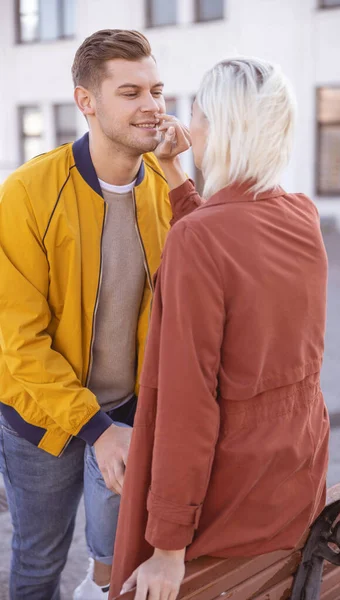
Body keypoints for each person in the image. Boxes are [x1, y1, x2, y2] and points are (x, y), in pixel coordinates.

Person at [109, 57, 330, 600]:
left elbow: (187, 406)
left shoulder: (201, 240)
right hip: (293, 481)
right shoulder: (301, 214)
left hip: (225, 502)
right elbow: (228, 246)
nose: (188, 122)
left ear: (224, 127)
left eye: (198, 112)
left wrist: (165, 547)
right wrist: (177, 176)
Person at [0, 29, 197, 600]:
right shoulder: (28, 193)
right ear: (87, 101)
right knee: (38, 562)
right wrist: (95, 430)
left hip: (128, 411)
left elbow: (199, 291)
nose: (153, 107)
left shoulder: (166, 183)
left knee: (117, 561)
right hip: (41, 423)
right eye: (131, 92)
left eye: (157, 91)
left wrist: (180, 171)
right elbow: (20, 342)